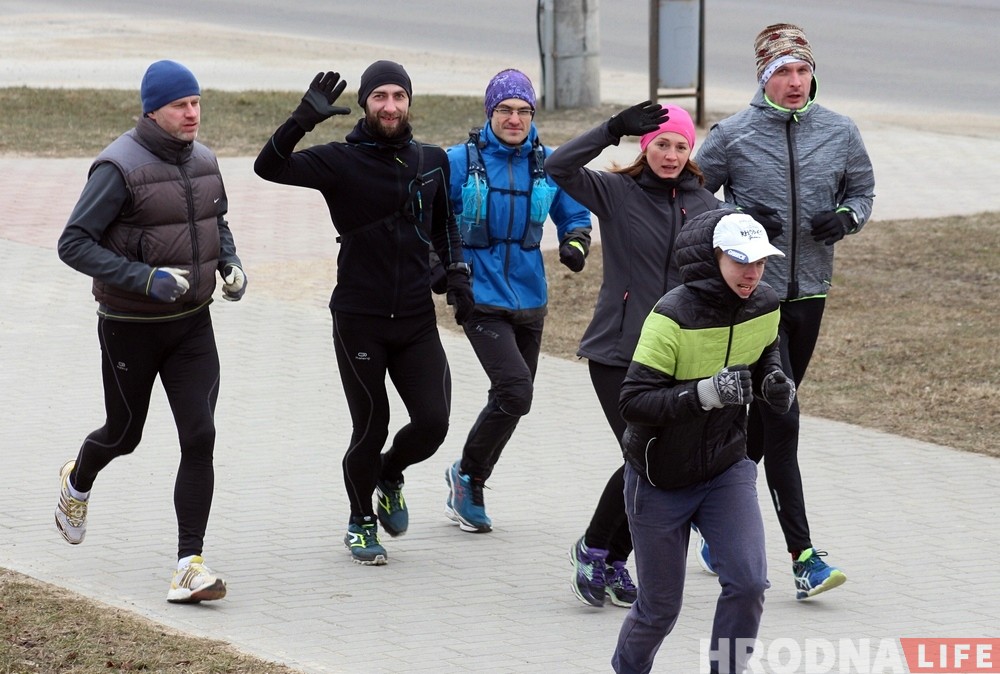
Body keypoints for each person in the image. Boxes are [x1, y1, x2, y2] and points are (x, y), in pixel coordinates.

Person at [254, 61, 473, 565]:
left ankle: (390, 475)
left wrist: (457, 276)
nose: (390, 106)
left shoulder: (432, 160)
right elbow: (268, 166)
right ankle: (360, 521)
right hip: (360, 319)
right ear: (365, 104)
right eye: (380, 97)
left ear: (410, 102)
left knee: (434, 422)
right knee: (371, 426)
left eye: (399, 96)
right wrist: (301, 120)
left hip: (416, 319)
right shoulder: (340, 161)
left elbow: (445, 227)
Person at [55, 60, 246, 604]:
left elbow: (217, 221)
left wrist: (229, 263)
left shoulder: (205, 160)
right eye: (180, 105)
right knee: (124, 435)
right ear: (152, 110)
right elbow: (73, 243)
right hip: (129, 328)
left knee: (201, 436)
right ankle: (78, 479)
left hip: (192, 327)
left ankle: (189, 565)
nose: (192, 113)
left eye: (196, 102)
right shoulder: (118, 168)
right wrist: (143, 278)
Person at [695, 22, 875, 599]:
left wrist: (846, 219)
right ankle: (803, 556)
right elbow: (696, 202)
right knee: (783, 417)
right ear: (763, 78)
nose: (795, 82)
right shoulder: (733, 135)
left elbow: (863, 190)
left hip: (811, 294)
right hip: (753, 297)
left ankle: (715, 515)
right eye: (782, 73)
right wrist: (739, 222)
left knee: (759, 423)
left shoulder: (841, 132)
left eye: (803, 70)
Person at [546, 101, 723, 608]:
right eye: (661, 144)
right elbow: (556, 167)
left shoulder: (708, 206)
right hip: (618, 353)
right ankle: (594, 549)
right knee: (641, 452)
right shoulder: (617, 192)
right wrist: (610, 130)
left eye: (680, 146)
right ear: (645, 148)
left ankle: (611, 556)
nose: (670, 154)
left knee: (657, 462)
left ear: (691, 153)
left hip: (676, 356)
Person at [612, 210, 795, 674]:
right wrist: (703, 394)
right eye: (739, 260)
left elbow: (765, 353)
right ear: (711, 259)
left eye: (760, 261)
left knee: (749, 584)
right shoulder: (670, 316)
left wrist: (774, 378)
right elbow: (633, 402)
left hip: (726, 468)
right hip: (659, 477)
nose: (751, 272)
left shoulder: (765, 303)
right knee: (660, 611)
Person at [442, 69, 591, 533]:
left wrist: (576, 241)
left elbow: (575, 213)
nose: (514, 118)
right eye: (505, 110)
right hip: (480, 297)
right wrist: (446, 270)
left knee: (514, 399)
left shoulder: (548, 164)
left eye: (523, 110)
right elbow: (432, 217)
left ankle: (466, 475)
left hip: (530, 299)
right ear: (490, 113)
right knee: (515, 389)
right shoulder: (458, 161)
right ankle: (469, 477)